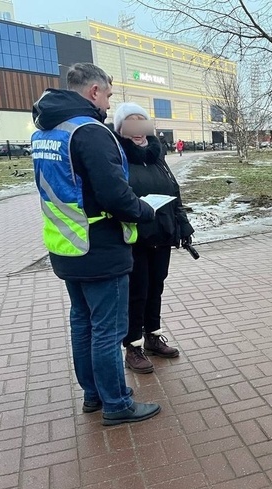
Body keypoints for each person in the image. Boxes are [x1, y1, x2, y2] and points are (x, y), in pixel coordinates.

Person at [31, 63, 161, 426]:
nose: (107, 102)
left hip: (66, 245)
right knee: (107, 329)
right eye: (107, 94)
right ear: (93, 91)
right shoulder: (89, 132)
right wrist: (144, 210)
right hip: (99, 246)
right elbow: (114, 195)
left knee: (82, 323)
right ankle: (117, 403)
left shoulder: (46, 132)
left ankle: (94, 394)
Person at [113, 103, 195, 374]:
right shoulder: (117, 157)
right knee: (137, 291)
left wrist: (183, 226)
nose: (138, 130)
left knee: (155, 286)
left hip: (161, 234)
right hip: (134, 237)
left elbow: (175, 194)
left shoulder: (157, 156)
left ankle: (151, 335)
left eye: (141, 122)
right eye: (131, 123)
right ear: (121, 129)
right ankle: (132, 345)